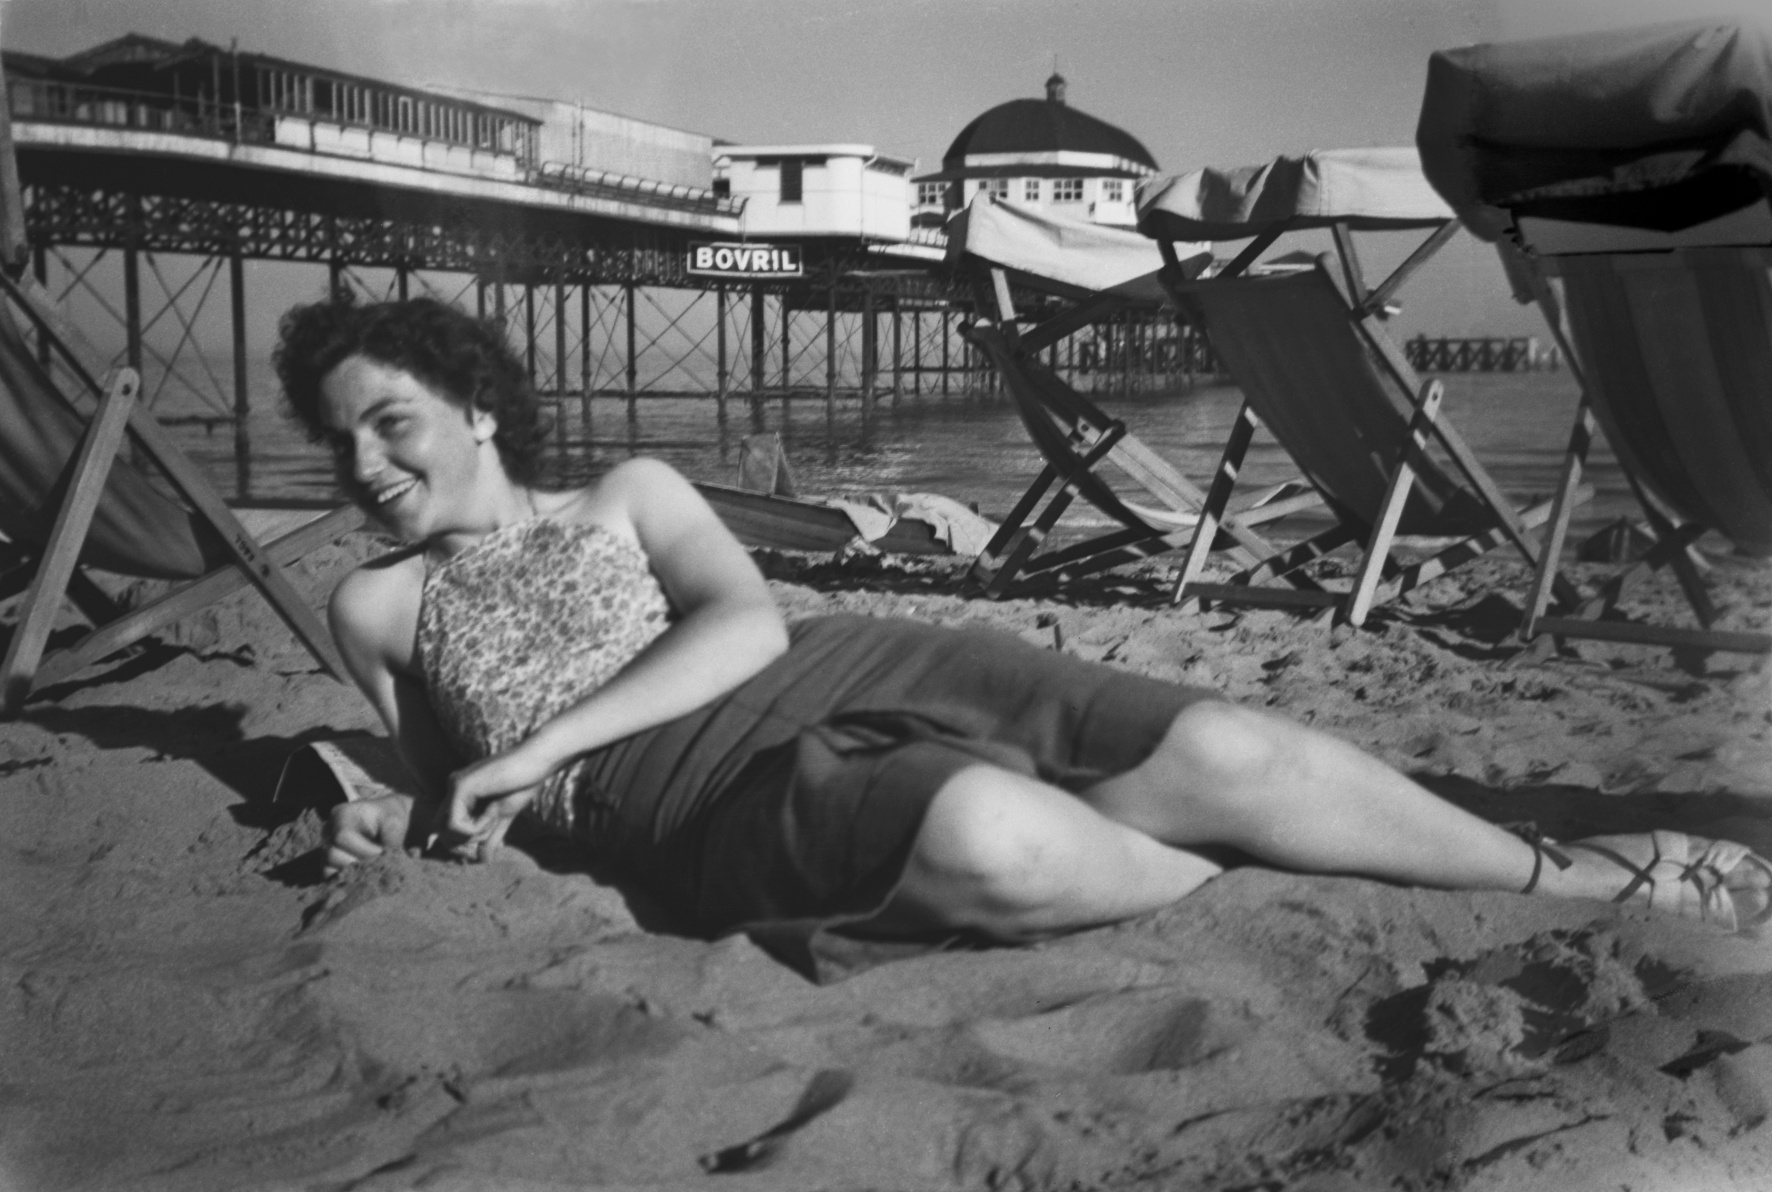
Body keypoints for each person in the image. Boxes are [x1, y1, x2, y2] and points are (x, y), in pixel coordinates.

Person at [277, 296, 1769, 977]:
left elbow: (741, 626)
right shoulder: (376, 605)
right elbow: (443, 786)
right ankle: (1260, 856)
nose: (364, 468)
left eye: (388, 423)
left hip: (835, 661)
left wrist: (536, 742)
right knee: (999, 843)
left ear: (474, 406)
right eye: (337, 446)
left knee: (1227, 739)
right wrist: (399, 826)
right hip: (685, 805)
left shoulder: (631, 489)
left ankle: (1580, 871)